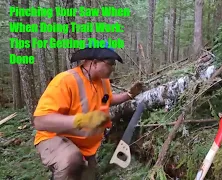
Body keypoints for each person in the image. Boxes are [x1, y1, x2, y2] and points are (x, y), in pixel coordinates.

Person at [32, 40, 143, 180]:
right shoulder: (66, 81)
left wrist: (129, 95)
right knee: (71, 161)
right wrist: (81, 120)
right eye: (111, 63)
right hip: (54, 138)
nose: (113, 68)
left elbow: (108, 99)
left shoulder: (102, 81)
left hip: (85, 147)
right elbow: (40, 121)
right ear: (95, 62)